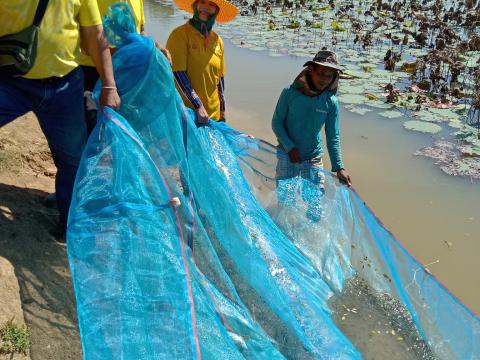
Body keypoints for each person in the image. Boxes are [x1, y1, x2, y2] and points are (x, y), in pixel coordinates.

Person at [0, 0, 120, 234]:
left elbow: (96, 35)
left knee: (72, 159)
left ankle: (69, 225)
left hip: (64, 87)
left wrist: (109, 86)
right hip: (10, 81)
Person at [272, 50, 351, 219]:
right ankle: (284, 233)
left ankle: (308, 237)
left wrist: (339, 167)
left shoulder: (331, 103)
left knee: (315, 201)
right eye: (321, 73)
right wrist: (290, 147)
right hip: (287, 154)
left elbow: (332, 136)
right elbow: (277, 123)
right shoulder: (290, 93)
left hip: (313, 157)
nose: (324, 79)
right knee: (286, 202)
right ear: (311, 70)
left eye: (329, 75)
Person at [166, 0, 238, 123]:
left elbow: (220, 80)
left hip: (213, 116)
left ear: (217, 11)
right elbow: (177, 73)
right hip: (188, 114)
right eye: (202, 2)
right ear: (195, 5)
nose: (206, 7)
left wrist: (222, 110)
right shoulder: (179, 35)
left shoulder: (218, 41)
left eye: (211, 5)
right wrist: (198, 105)